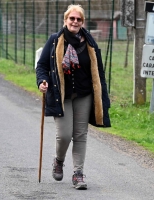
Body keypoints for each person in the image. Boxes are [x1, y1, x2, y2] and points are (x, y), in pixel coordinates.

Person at [36, 4, 111, 190]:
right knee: (64, 135)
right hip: (61, 95)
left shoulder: (90, 42)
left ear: (82, 22)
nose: (75, 22)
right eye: (72, 18)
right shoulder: (55, 40)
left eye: (79, 19)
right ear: (65, 20)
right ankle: (59, 161)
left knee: (80, 135)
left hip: (84, 95)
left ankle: (78, 174)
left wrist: (102, 95)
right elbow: (42, 66)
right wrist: (42, 81)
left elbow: (99, 72)